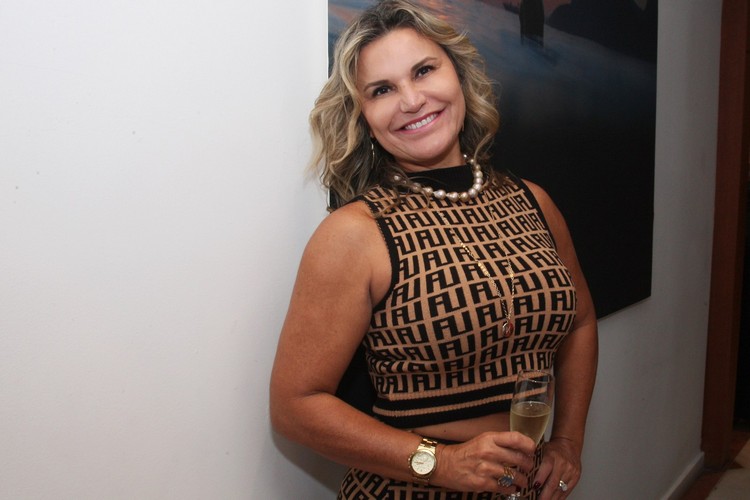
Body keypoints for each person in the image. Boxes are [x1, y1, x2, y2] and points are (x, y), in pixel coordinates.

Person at [269, 1, 598, 498]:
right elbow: (295, 406)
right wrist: (440, 463)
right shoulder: (355, 233)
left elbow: (580, 322)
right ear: (364, 116)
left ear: (459, 75)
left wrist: (569, 441)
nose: (411, 100)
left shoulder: (534, 201)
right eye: (382, 90)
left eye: (424, 70)